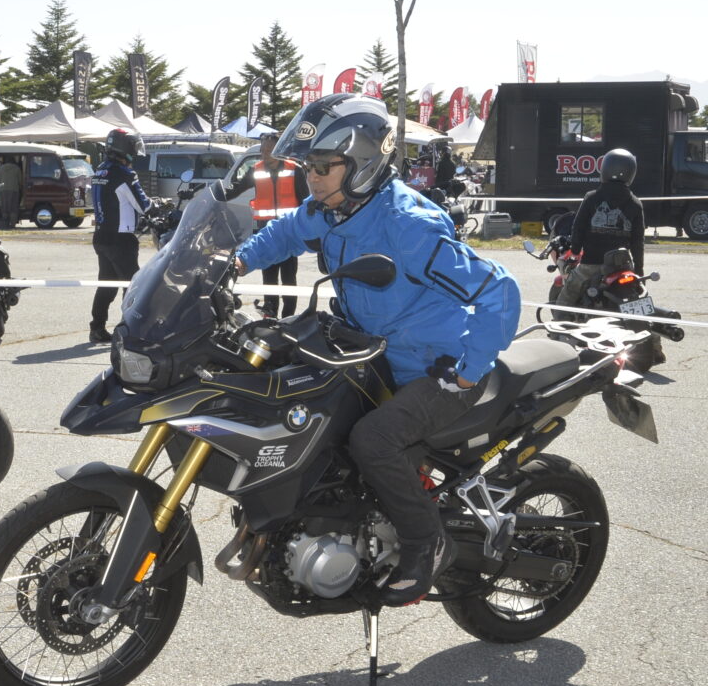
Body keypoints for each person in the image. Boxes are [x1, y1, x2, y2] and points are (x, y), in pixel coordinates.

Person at [233, 94, 521, 606]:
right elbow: (286, 233)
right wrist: (230, 265)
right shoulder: (336, 209)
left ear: (363, 162)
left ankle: (423, 543)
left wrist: (467, 372)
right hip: (372, 353)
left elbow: (499, 290)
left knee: (374, 440)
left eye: (323, 166)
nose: (312, 178)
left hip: (432, 371)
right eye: (308, 167)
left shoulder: (408, 227)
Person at [558, 148, 660, 362]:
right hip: (623, 267)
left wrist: (574, 252)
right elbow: (637, 241)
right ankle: (656, 348)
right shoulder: (635, 203)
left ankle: (558, 339)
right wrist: (638, 271)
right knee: (641, 301)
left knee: (565, 298)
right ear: (631, 172)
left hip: (592, 263)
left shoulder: (592, 197)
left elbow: (578, 228)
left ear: (604, 169)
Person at [89, 128, 153, 343]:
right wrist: (159, 206)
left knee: (106, 284)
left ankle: (97, 327)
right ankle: (130, 329)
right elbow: (142, 204)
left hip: (101, 237)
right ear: (124, 149)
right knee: (133, 285)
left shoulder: (101, 170)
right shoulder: (124, 174)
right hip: (121, 239)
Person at [249, 131, 309, 318]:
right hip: (266, 235)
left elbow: (305, 201)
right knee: (269, 278)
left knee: (289, 279)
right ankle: (270, 315)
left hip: (289, 235)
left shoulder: (295, 169)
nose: (264, 154)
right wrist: (216, 194)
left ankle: (289, 318)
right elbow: (235, 188)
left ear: (279, 150)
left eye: (269, 150)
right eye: (263, 150)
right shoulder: (256, 170)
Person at [0, 155, 23, 228]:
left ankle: (5, 224)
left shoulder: (1, 168)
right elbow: (20, 181)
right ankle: (12, 225)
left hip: (3, 190)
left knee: (4, 208)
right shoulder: (17, 168)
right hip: (14, 190)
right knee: (13, 208)